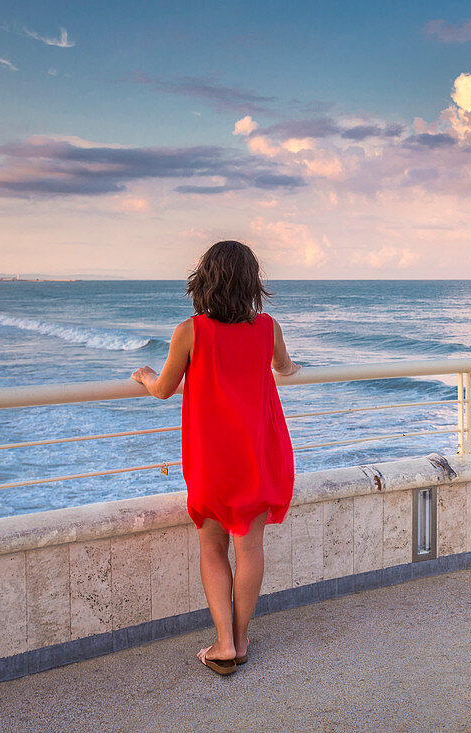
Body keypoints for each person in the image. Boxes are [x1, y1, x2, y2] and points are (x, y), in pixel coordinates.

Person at [131, 240, 300, 676]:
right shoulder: (267, 327)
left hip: (211, 456)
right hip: (257, 452)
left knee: (212, 545)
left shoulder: (191, 330)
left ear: (203, 281)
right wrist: (292, 368)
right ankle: (241, 640)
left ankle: (223, 641)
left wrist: (147, 375)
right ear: (251, 283)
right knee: (251, 547)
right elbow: (284, 367)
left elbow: (165, 388)